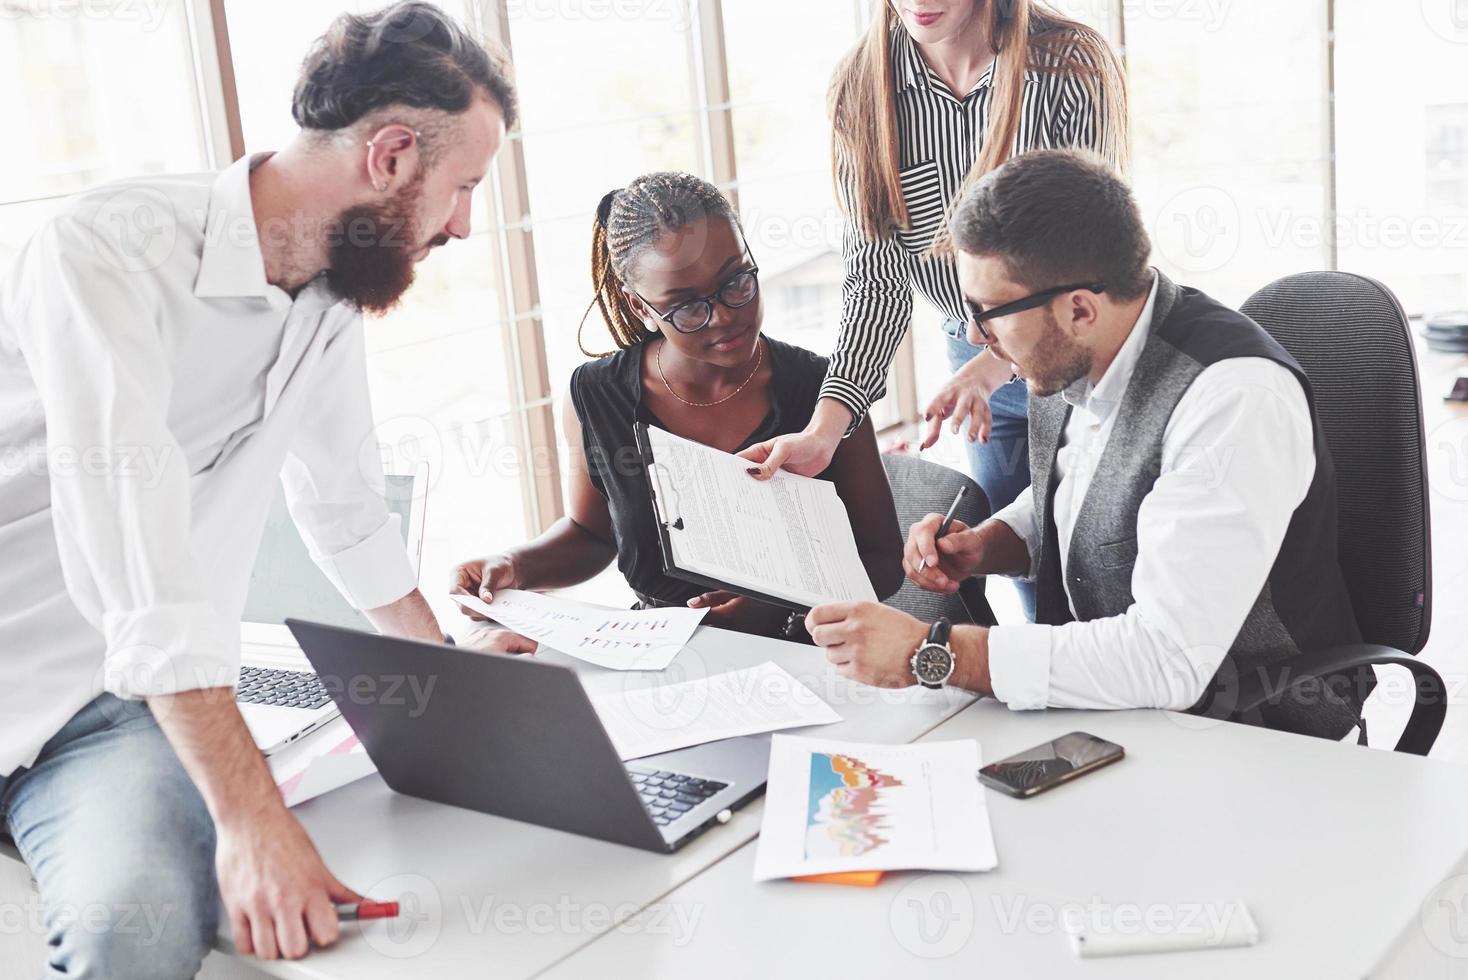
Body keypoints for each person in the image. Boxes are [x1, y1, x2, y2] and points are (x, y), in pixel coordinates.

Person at [0, 4, 529, 973]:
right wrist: (253, 819)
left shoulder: (332, 292)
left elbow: (341, 505)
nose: (462, 223)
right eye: (462, 187)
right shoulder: (108, 251)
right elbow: (138, 557)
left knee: (140, 926)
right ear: (393, 156)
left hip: (110, 708)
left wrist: (452, 671)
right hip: (37, 661)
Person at [803, 149, 1369, 741]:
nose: (975, 334)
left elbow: (1167, 659)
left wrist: (934, 650)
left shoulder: (1234, 399)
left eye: (986, 310)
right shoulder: (1072, 349)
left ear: (1079, 308)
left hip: (1252, 728)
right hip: (1117, 706)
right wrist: (989, 545)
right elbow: (1086, 486)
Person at [740, 0, 1127, 622]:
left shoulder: (1066, 62)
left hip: (1084, 348)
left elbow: (1091, 254)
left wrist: (995, 360)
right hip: (975, 358)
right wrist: (823, 432)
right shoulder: (864, 85)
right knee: (1023, 560)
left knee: (1103, 563)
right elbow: (876, 282)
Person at [452, 173, 904, 639]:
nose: (726, 316)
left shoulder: (826, 391)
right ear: (640, 307)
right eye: (687, 307)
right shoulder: (598, 394)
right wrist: (510, 566)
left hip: (810, 650)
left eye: (737, 282)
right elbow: (591, 536)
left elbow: (885, 562)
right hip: (659, 654)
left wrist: (781, 607)